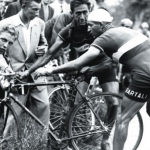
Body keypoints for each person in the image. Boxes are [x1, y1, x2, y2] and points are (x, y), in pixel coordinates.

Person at [34, 9, 150, 150]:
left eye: (91, 25)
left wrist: (49, 70)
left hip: (145, 75)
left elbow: (78, 63)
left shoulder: (104, 37)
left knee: (122, 119)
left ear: (101, 25)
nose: (88, 30)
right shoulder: (123, 31)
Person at [18, 1, 119, 149]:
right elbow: (49, 54)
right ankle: (68, 141)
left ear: (90, 10)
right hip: (83, 66)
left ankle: (106, 138)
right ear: (72, 13)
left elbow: (115, 56)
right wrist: (28, 71)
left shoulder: (98, 24)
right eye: (78, 13)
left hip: (104, 65)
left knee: (114, 102)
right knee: (74, 105)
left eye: (85, 12)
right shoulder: (69, 31)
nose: (82, 17)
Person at [0, 0, 50, 136]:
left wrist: (43, 49)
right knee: (13, 116)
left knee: (43, 108)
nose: (37, 13)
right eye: (34, 9)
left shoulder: (39, 23)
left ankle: (39, 143)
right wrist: (6, 69)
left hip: (36, 74)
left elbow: (43, 44)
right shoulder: (5, 24)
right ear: (23, 7)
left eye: (39, 9)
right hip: (16, 76)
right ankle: (7, 145)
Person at [0, 24, 18, 99]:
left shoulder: (4, 55)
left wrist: (7, 69)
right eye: (3, 40)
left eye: (10, 43)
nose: (6, 46)